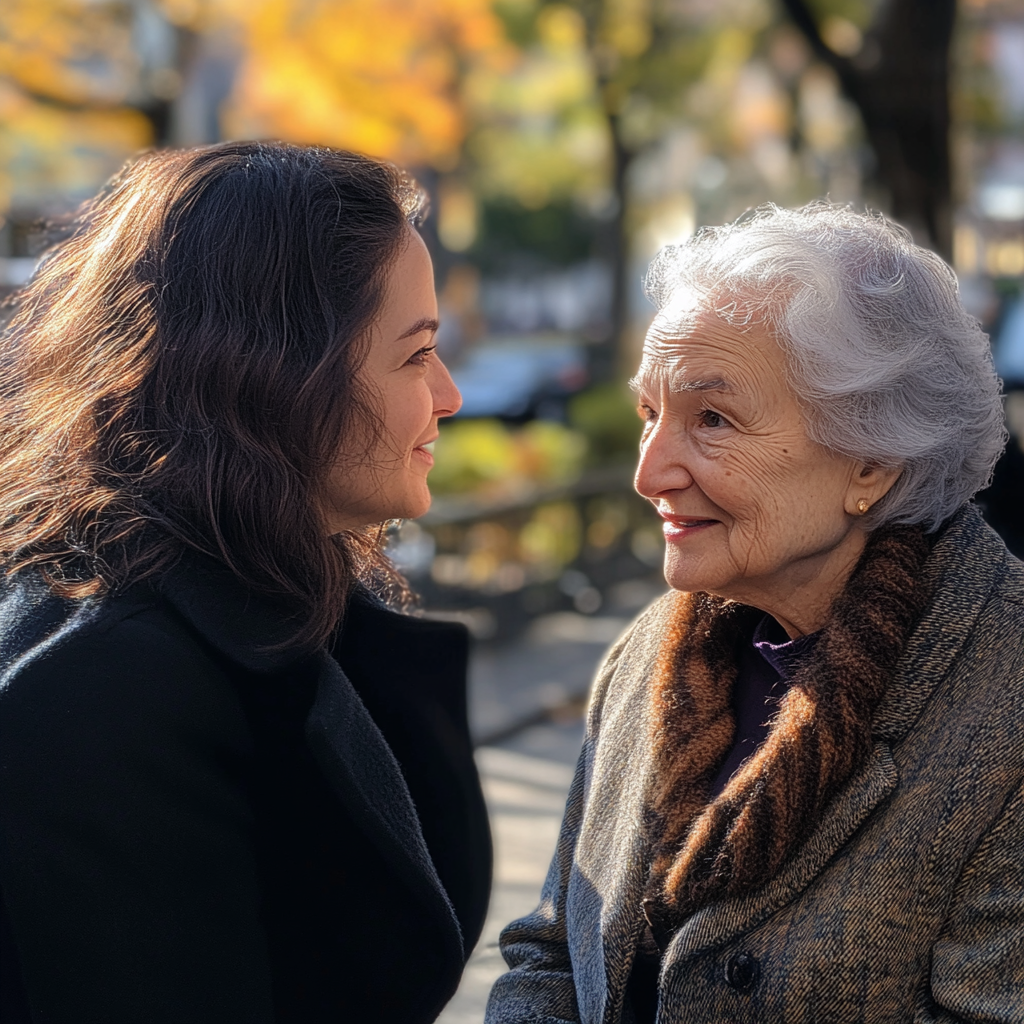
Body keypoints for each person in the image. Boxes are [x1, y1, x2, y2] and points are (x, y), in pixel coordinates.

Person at [486, 202, 1024, 1023]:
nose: (651, 472)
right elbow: (553, 952)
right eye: (648, 415)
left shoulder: (1005, 692)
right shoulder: (649, 653)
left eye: (712, 419)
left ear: (873, 461)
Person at [0, 141, 491, 1024]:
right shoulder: (108, 691)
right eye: (415, 355)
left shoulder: (280, 610)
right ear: (277, 373)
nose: (449, 395)